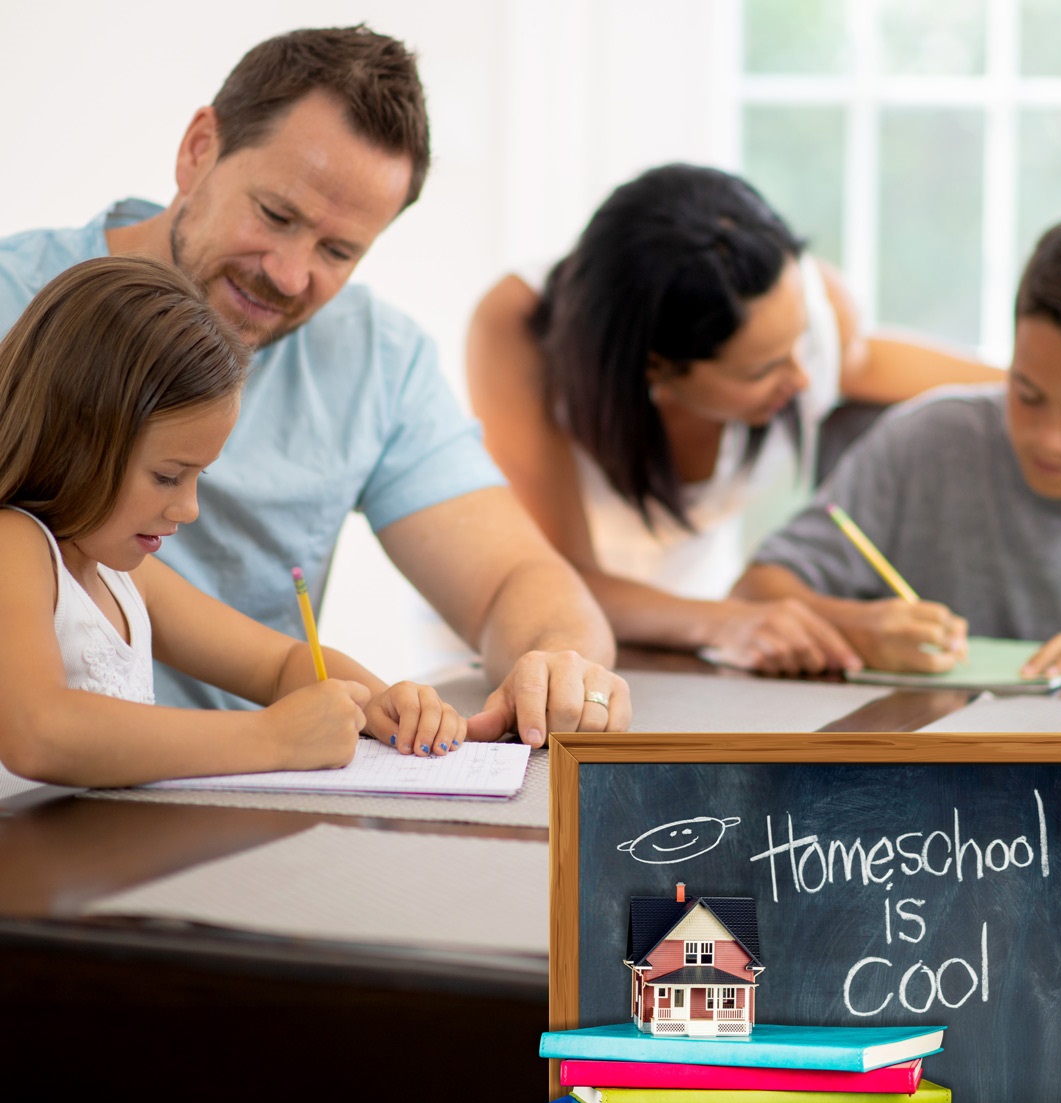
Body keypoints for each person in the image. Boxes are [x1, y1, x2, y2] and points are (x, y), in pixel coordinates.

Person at [0, 25, 629, 746]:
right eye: (276, 214)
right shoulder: (19, 319)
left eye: (338, 250)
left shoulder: (377, 359)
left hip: (247, 814)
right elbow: (40, 730)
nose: (291, 275)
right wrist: (272, 739)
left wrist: (550, 665)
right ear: (199, 149)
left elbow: (509, 577)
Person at [467, 163, 1004, 675]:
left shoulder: (803, 306)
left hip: (687, 649)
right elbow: (560, 579)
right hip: (531, 651)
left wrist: (1057, 391)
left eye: (799, 343)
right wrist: (734, 623)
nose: (805, 379)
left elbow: (888, 366)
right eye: (764, 369)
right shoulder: (517, 329)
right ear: (657, 365)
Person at [0, 256, 475, 789]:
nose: (188, 508)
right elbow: (37, 732)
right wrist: (274, 738)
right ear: (75, 440)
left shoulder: (120, 575)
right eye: (167, 476)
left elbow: (279, 665)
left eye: (199, 476)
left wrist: (379, 700)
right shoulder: (14, 546)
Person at [735, 214, 1061, 689]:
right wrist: (850, 624)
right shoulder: (925, 444)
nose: (1047, 438)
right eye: (1027, 393)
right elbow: (751, 593)